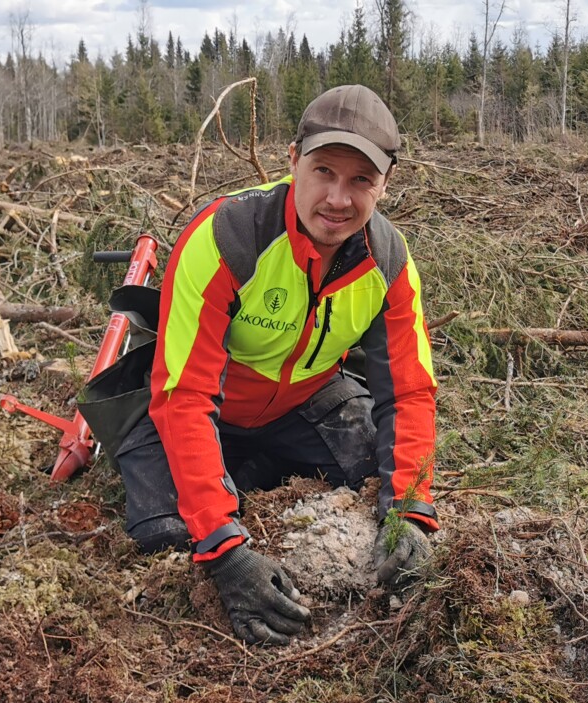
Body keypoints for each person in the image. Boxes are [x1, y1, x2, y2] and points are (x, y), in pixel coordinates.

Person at [113, 85, 438, 645]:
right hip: (198, 408)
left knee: (372, 468)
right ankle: (223, 489)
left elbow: (408, 393)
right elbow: (185, 396)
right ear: (293, 162)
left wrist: (410, 509)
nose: (338, 198)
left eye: (362, 180)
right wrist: (226, 553)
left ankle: (247, 475)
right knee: (165, 531)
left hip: (302, 403)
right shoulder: (226, 237)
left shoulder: (389, 262)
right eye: (324, 171)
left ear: (385, 183)